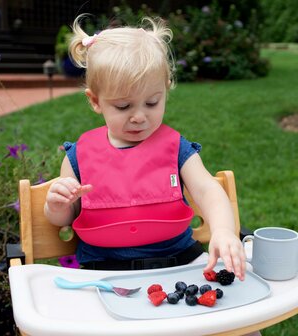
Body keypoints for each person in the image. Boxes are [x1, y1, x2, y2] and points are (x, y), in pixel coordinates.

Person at [44, 15, 246, 281]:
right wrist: (57, 204)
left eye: (152, 102)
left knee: (240, 316)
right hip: (104, 274)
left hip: (179, 263)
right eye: (124, 106)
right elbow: (63, 219)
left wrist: (222, 230)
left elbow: (208, 190)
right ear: (95, 101)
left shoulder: (177, 148)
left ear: (165, 91)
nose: (139, 116)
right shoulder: (79, 156)